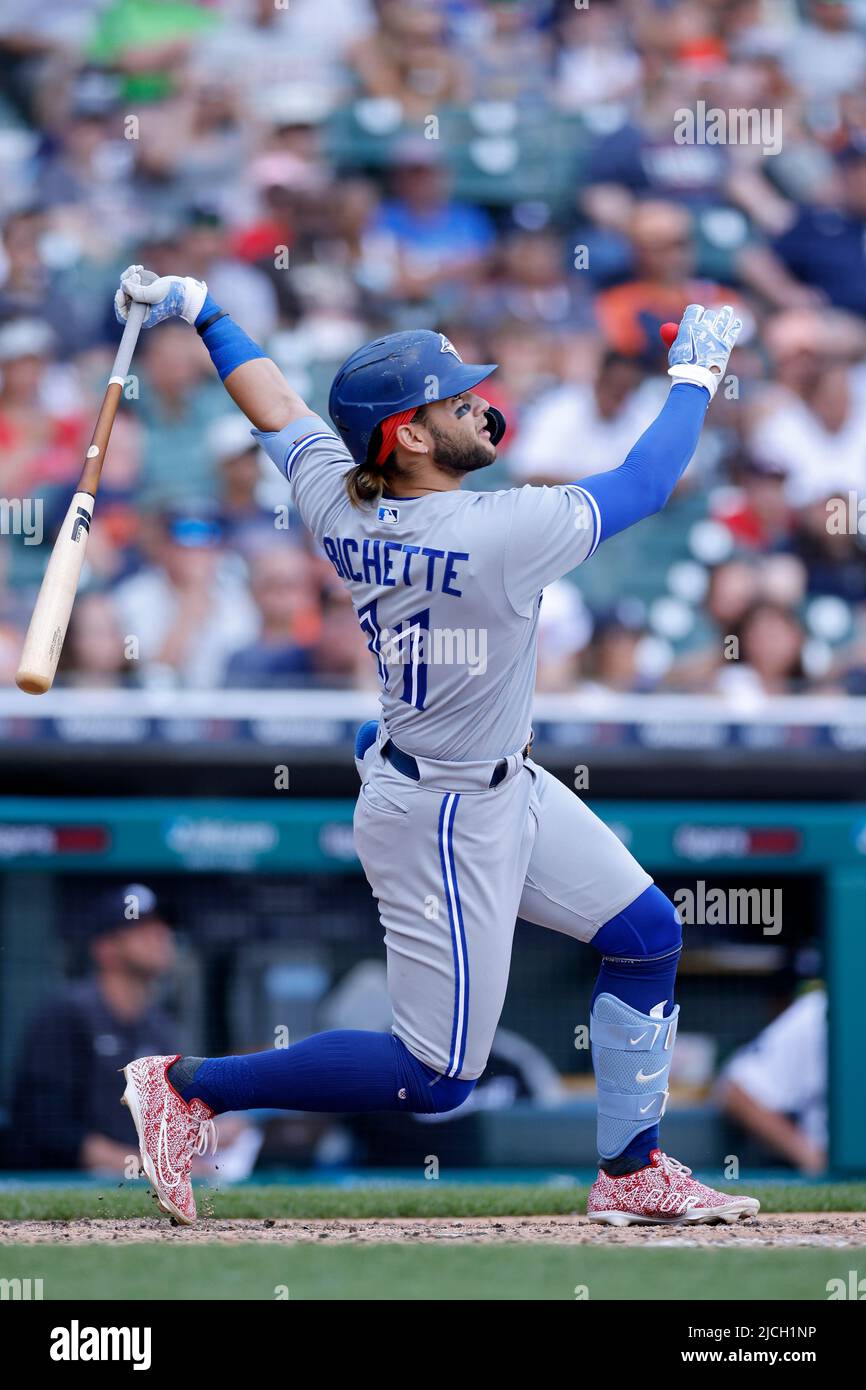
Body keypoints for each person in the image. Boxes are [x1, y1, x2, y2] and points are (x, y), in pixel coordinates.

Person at [114, 263, 759, 1229]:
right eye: (454, 401)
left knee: (646, 936)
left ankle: (632, 1170)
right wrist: (695, 377)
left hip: (496, 780)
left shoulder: (342, 499)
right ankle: (187, 1085)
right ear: (408, 434)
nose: (479, 407)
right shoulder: (498, 530)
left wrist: (204, 312)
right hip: (445, 815)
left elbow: (277, 405)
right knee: (434, 1077)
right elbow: (649, 479)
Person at [5, 885, 177, 1173]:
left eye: (160, 925)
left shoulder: (160, 1025)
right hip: (61, 1187)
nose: (159, 935)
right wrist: (145, 1167)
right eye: (141, 928)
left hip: (133, 1185)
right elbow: (44, 1126)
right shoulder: (66, 1014)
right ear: (105, 948)